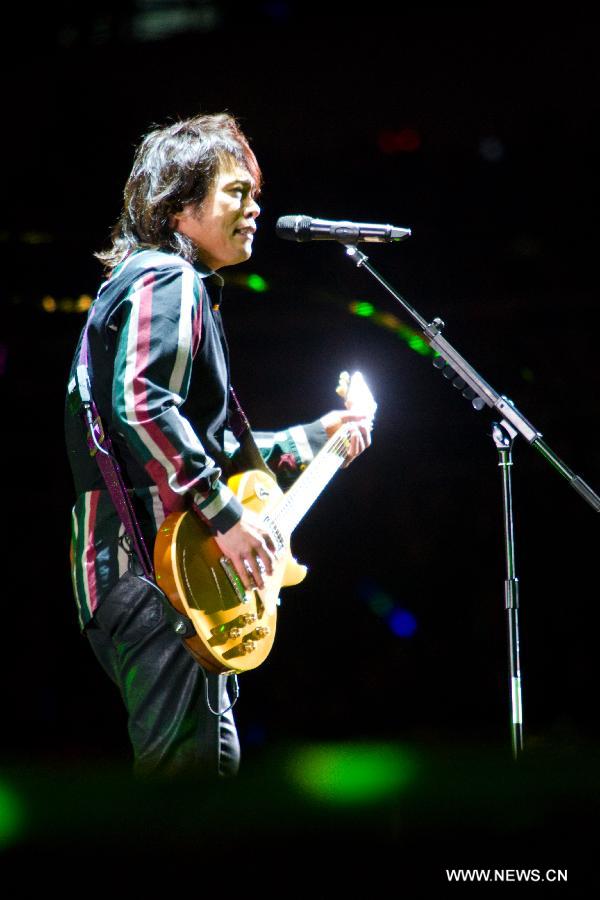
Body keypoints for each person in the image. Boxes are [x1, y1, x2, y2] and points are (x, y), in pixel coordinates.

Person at [65, 113, 371, 779]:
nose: (255, 208)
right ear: (179, 206)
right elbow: (143, 405)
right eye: (237, 192)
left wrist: (318, 439)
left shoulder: (156, 284)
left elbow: (197, 439)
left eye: (255, 195)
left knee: (204, 772)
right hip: (156, 573)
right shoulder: (165, 279)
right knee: (192, 792)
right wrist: (224, 516)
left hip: (142, 573)